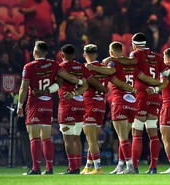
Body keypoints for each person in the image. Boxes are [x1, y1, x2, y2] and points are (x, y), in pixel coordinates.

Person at [89, 41, 158, 174]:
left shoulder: (113, 63)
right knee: (125, 137)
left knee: (122, 138)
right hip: (133, 102)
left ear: (111, 52)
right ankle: (120, 165)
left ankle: (130, 166)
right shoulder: (132, 63)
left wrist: (92, 68)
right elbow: (143, 76)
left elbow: (108, 70)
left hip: (120, 100)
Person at [17, 41, 83, 175]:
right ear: (46, 52)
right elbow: (68, 78)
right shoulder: (54, 64)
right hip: (48, 105)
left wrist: (19, 105)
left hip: (34, 104)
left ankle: (35, 168)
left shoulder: (29, 67)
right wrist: (81, 82)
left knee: (34, 137)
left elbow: (24, 88)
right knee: (46, 138)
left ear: (35, 52)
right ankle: (49, 168)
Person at [125, 33, 170, 174]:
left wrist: (154, 83)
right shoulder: (157, 57)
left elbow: (140, 76)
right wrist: (158, 85)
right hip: (155, 97)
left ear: (134, 44)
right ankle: (153, 167)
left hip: (142, 96)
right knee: (153, 134)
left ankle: (134, 167)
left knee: (137, 133)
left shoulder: (135, 55)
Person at [57, 44, 95, 174]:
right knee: (76, 137)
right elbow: (86, 85)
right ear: (74, 55)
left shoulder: (61, 67)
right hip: (80, 104)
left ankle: (72, 167)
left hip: (67, 105)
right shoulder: (81, 66)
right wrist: (76, 93)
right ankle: (77, 166)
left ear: (62, 55)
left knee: (67, 138)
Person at [80, 44, 110, 174]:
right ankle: (88, 166)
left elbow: (83, 84)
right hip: (101, 105)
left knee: (90, 139)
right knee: (93, 139)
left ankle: (98, 168)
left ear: (84, 55)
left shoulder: (86, 69)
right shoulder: (104, 68)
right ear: (97, 55)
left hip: (89, 103)